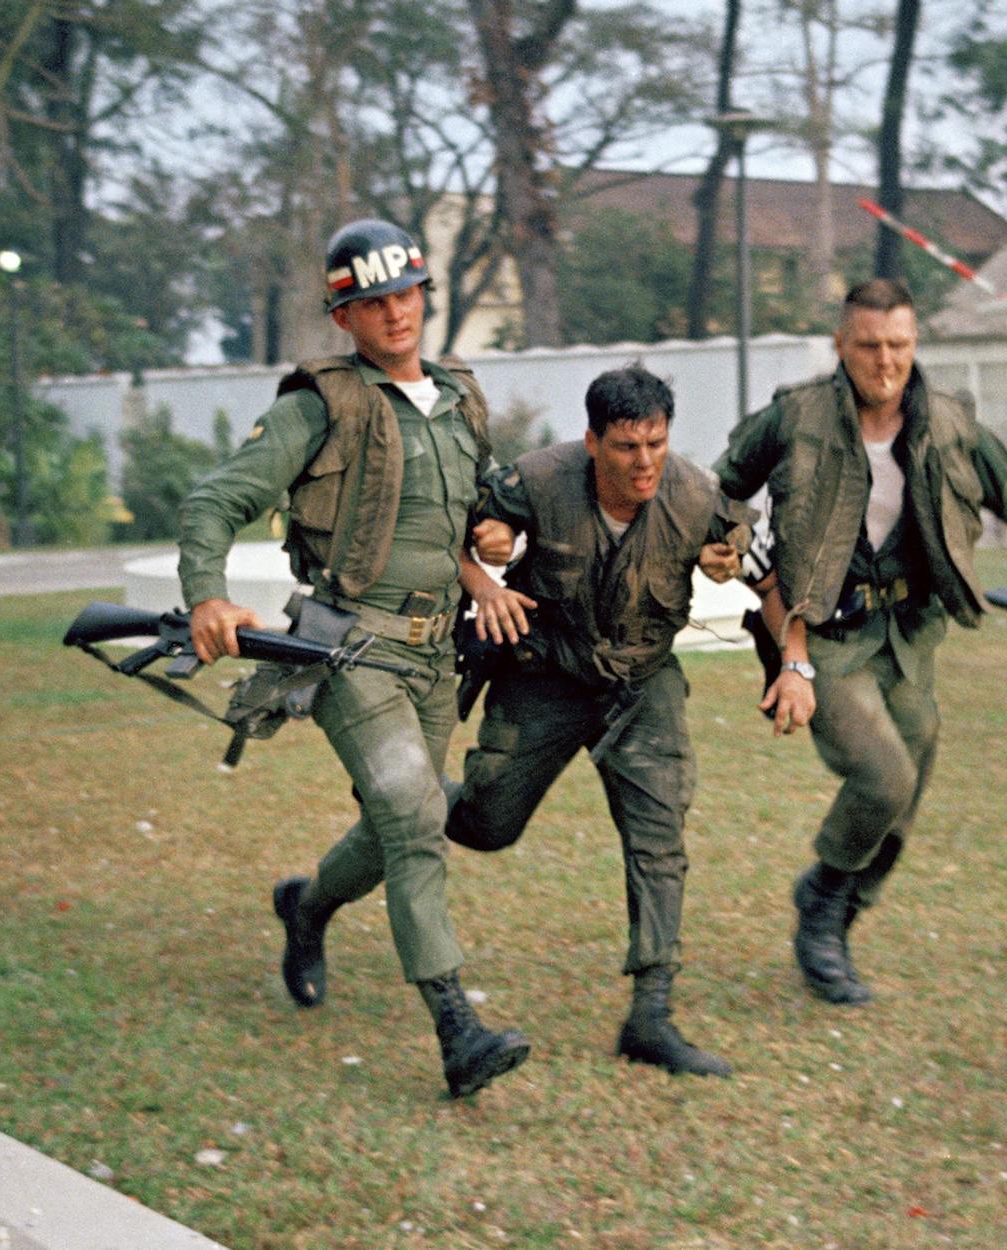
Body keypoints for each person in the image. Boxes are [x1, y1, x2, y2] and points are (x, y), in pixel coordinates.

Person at [715, 278, 1007, 1006]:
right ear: (841, 345)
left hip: (909, 635)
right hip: (823, 634)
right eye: (868, 346)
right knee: (882, 777)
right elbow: (720, 489)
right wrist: (736, 554)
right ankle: (822, 904)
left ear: (916, 344)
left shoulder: (951, 426)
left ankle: (842, 910)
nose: (884, 361)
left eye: (899, 345)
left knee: (907, 791)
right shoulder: (794, 417)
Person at [177, 218, 533, 1098]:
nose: (395, 313)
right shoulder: (319, 407)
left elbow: (461, 518)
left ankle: (306, 908)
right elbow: (212, 503)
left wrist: (491, 543)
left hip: (437, 656)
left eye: (405, 294)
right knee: (414, 814)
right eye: (373, 303)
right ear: (344, 317)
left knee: (395, 823)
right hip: (351, 651)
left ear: (423, 296)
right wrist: (207, 596)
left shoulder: (460, 399)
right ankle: (456, 1028)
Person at [451, 364, 753, 1077]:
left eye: (655, 443)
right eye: (625, 447)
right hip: (545, 675)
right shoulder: (537, 480)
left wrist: (729, 555)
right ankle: (410, 804)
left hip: (642, 680)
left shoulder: (693, 492)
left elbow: (742, 535)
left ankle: (651, 1014)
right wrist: (484, 557)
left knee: (658, 833)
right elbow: (448, 528)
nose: (644, 462)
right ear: (592, 442)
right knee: (488, 824)